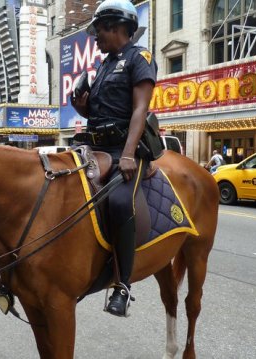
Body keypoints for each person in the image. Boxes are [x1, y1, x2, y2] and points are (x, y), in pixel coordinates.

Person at [71, 0, 158, 317]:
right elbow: (96, 113)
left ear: (117, 27)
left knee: (121, 202)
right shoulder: (103, 66)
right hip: (95, 149)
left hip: (127, 150)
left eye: (98, 31)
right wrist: (83, 106)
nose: (95, 38)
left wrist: (128, 154)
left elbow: (139, 109)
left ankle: (122, 286)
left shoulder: (140, 58)